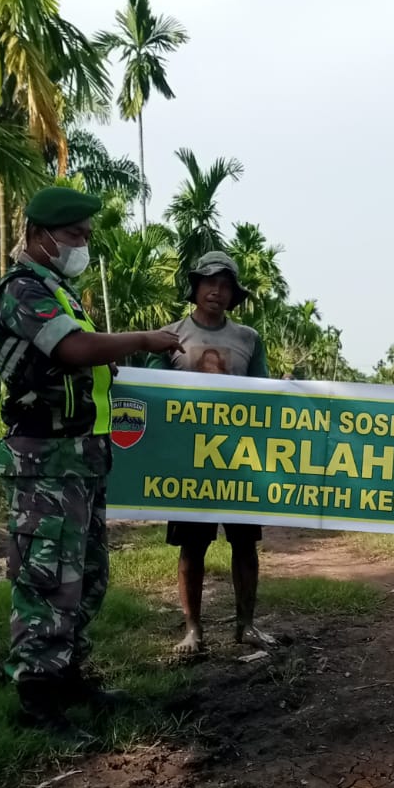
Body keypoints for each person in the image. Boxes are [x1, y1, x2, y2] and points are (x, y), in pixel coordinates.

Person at [0, 186, 180, 735]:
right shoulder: (24, 290)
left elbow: (77, 367)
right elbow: (71, 349)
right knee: (47, 576)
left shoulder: (61, 290)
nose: (82, 246)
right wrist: (143, 339)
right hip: (45, 458)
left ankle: (69, 674)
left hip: (79, 456)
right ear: (38, 235)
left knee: (86, 574)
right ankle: (38, 698)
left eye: (86, 237)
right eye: (74, 236)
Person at [149, 250, 275, 656]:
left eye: (225, 285)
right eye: (209, 283)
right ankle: (192, 629)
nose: (216, 291)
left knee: (244, 545)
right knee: (193, 545)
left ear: (233, 295)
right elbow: (145, 392)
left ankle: (246, 625)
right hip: (188, 461)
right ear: (195, 287)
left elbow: (265, 395)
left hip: (238, 459)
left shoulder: (248, 339)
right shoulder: (169, 336)